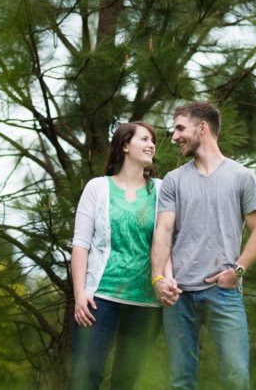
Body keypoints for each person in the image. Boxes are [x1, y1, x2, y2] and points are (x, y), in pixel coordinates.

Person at [151, 102, 256, 390]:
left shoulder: (243, 177)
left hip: (223, 292)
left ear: (202, 128)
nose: (174, 136)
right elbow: (163, 230)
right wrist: (158, 278)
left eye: (180, 128)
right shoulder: (173, 181)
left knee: (236, 376)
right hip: (179, 296)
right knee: (181, 380)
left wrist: (236, 272)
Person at [70, 121, 168, 389]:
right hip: (99, 298)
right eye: (144, 139)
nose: (151, 145)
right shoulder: (97, 188)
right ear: (125, 145)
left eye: (153, 141)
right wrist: (80, 294)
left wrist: (165, 280)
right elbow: (80, 243)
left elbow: (167, 240)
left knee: (126, 381)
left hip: (146, 303)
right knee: (85, 377)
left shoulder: (161, 190)